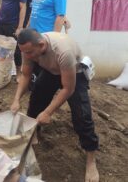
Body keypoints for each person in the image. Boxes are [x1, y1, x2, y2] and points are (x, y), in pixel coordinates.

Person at [10, 29, 99, 182]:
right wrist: (16, 99)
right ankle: (33, 132)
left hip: (74, 73)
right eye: (25, 53)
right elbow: (25, 75)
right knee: (36, 100)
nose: (28, 56)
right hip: (51, 70)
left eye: (30, 53)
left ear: (42, 44)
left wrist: (48, 112)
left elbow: (68, 89)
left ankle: (91, 159)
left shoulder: (63, 52)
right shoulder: (28, 49)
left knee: (82, 115)